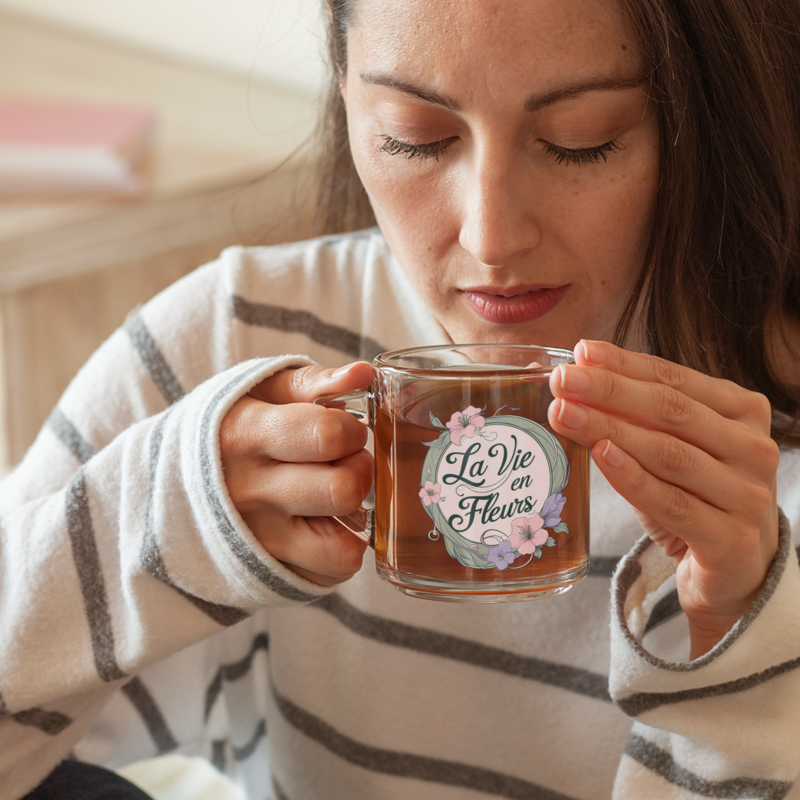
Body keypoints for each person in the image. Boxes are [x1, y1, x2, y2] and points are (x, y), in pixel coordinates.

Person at [4, 0, 800, 798]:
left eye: (580, 140)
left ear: (694, 111)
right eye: (415, 137)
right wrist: (157, 521)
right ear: (346, 95)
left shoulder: (771, 443)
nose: (492, 238)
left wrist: (747, 651)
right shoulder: (238, 341)